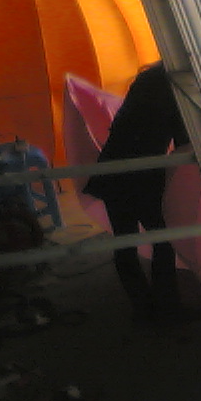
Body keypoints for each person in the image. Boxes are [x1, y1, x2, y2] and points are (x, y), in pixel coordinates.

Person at [83, 61, 192, 326]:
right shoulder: (176, 87)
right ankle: (168, 309)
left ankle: (142, 309)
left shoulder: (147, 80)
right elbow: (184, 143)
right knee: (163, 240)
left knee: (125, 242)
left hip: (113, 168)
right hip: (142, 174)